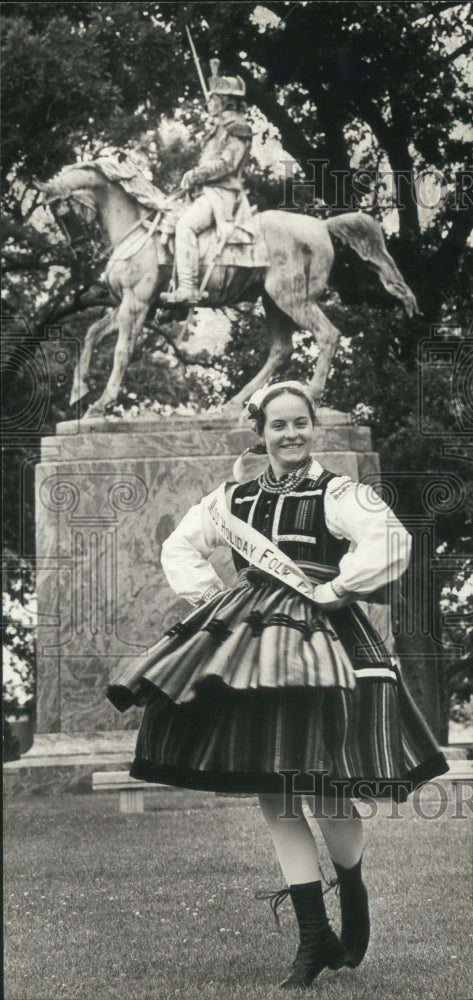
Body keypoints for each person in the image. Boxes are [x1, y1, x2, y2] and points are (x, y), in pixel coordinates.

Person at [107, 380, 448, 990]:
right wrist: (211, 601)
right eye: (278, 425)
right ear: (259, 433)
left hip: (325, 643)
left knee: (324, 791)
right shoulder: (230, 498)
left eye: (300, 423)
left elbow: (391, 539)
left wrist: (339, 587)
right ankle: (314, 934)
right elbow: (180, 546)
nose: (290, 434)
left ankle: (354, 886)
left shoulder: (338, 491)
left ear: (312, 427)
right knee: (274, 789)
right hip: (251, 646)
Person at [161, 59, 252, 306]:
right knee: (166, 222)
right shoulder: (219, 127)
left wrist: (196, 174)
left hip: (222, 194)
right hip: (205, 192)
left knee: (185, 227)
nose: (208, 102)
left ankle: (188, 288)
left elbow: (227, 165)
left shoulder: (237, 127)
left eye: (213, 98)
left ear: (224, 101)